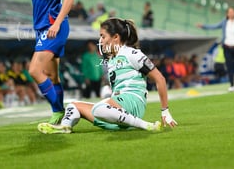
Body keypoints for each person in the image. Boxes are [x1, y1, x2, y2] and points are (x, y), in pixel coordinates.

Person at [38, 18, 177, 134]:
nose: (101, 41)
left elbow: (160, 79)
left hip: (133, 102)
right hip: (118, 104)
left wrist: (165, 111)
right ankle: (65, 127)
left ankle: (144, 124)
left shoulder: (132, 54)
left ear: (116, 37)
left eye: (103, 36)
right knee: (73, 105)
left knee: (98, 109)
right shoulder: (111, 59)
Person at [8, 0, 74, 124]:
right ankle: (60, 114)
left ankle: (58, 111)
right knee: (53, 76)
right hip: (42, 28)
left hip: (53, 27)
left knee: (35, 70)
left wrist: (56, 23)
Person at [197, 6, 234, 92]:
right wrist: (203, 26)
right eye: (229, 12)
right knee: (230, 67)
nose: (231, 13)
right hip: (227, 47)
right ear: (227, 14)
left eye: (232, 12)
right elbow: (214, 26)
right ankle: (232, 85)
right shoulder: (224, 22)